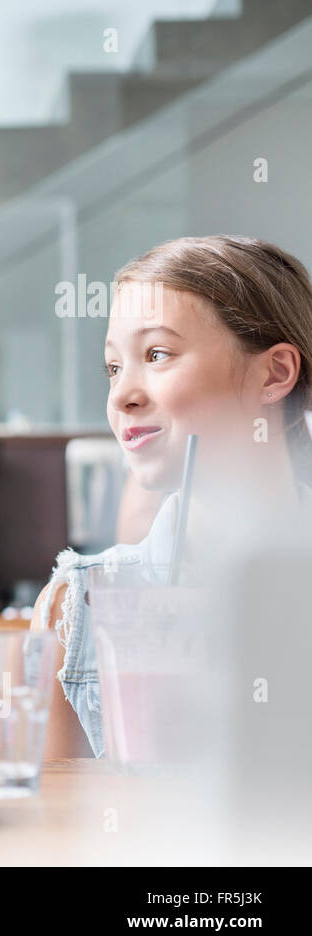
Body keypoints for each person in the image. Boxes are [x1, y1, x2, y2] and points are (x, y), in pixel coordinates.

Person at [34, 235, 312, 759]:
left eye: (157, 354)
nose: (121, 396)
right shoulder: (78, 604)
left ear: (275, 373)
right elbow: (53, 826)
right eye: (114, 368)